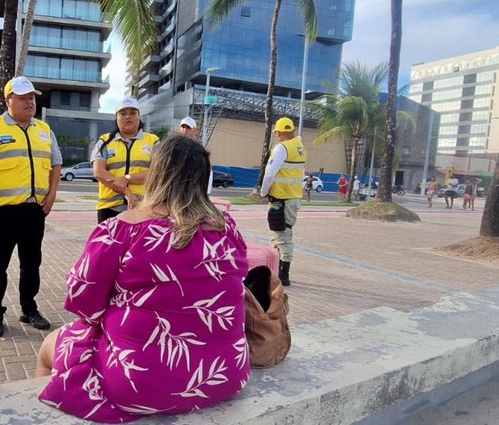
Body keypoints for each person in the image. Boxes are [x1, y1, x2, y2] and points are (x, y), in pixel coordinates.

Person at [36, 135, 250, 422]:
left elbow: (84, 305)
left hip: (140, 386)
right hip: (227, 374)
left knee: (50, 344)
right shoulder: (227, 227)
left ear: (156, 173)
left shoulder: (120, 230)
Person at [0, 76, 62, 337]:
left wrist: (52, 194)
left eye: (31, 97)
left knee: (31, 264)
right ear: (8, 100)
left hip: (34, 211)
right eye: (22, 97)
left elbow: (56, 164)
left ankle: (28, 308)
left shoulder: (44, 130)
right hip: (3, 212)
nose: (29, 102)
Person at [92, 97, 159, 223]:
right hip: (109, 209)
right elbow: (99, 172)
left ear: (139, 117)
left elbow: (157, 174)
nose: (128, 117)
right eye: (123, 114)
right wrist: (126, 191)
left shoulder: (153, 141)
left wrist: (127, 178)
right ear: (116, 118)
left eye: (133, 113)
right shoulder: (104, 141)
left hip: (143, 209)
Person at [257, 117, 306, 286]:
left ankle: (283, 274)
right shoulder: (299, 148)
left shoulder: (282, 148)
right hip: (292, 199)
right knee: (281, 234)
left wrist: (263, 192)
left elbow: (270, 174)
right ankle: (277, 269)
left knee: (281, 236)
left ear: (278, 132)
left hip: (281, 200)